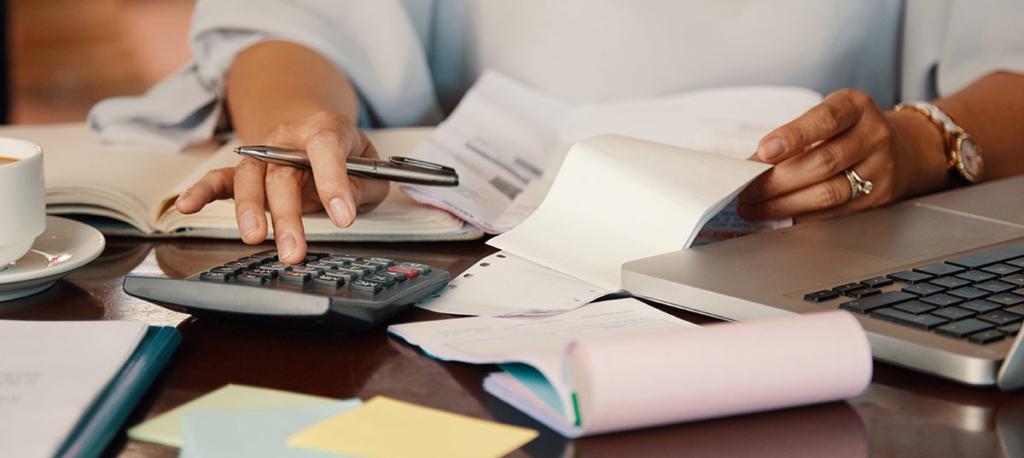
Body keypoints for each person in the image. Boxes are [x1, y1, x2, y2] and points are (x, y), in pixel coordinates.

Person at [91, 1, 1024, 264]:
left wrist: (922, 141)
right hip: (489, 251)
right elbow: (295, 22)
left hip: (822, 249)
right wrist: (298, 120)